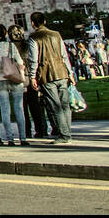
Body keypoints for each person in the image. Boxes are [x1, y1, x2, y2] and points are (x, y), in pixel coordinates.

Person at [30, 13, 74, 145]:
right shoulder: (56, 34)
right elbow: (64, 55)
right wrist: (70, 72)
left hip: (46, 73)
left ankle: (64, 135)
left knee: (56, 105)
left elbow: (34, 59)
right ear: (45, 21)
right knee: (65, 104)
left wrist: (32, 76)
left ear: (33, 23)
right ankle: (67, 132)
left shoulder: (34, 38)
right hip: (61, 71)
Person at [0, 24, 28, 146]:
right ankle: (23, 138)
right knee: (19, 108)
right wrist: (22, 77)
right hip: (14, 77)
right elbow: (20, 63)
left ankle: (10, 139)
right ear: (5, 34)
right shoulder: (11, 46)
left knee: (5, 110)